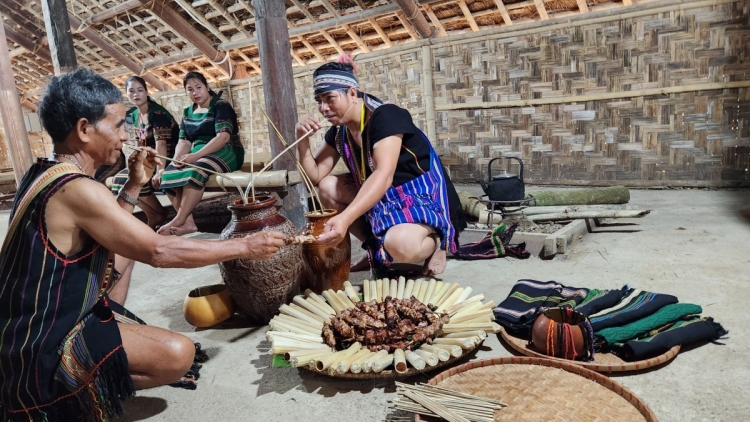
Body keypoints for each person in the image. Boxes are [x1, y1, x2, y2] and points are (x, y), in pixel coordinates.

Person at [0, 68, 286, 421]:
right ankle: (75, 381)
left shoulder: (44, 171)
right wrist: (246, 247)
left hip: (33, 320)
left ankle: (103, 341)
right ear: (84, 129)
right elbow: (159, 251)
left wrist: (134, 185)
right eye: (118, 125)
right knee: (177, 355)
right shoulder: (77, 189)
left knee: (126, 244)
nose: (126, 135)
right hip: (42, 341)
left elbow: (112, 233)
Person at [295, 55, 466, 277]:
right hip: (381, 195)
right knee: (327, 187)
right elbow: (314, 177)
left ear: (352, 93)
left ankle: (437, 241)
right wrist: (302, 141)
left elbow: (384, 175)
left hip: (415, 193)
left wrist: (345, 219)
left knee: (402, 246)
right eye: (319, 100)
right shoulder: (340, 130)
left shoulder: (385, 116)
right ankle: (375, 249)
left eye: (330, 98)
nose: (323, 108)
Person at [157, 71, 245, 236]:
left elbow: (223, 137)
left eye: (198, 87)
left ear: (207, 87)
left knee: (196, 170)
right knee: (168, 174)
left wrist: (195, 156)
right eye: (190, 89)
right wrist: (177, 157)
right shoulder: (187, 112)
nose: (195, 92)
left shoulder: (220, 106)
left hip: (226, 150)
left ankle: (178, 219)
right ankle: (188, 223)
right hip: (198, 152)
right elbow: (184, 141)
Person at [107, 75, 180, 229]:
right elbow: (141, 143)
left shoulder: (158, 114)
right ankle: (155, 214)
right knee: (121, 178)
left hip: (168, 158)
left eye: (140, 90)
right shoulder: (134, 115)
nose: (136, 94)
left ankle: (161, 214)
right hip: (151, 160)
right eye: (131, 91)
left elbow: (161, 145)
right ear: (127, 94)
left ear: (147, 92)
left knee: (140, 177)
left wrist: (160, 172)